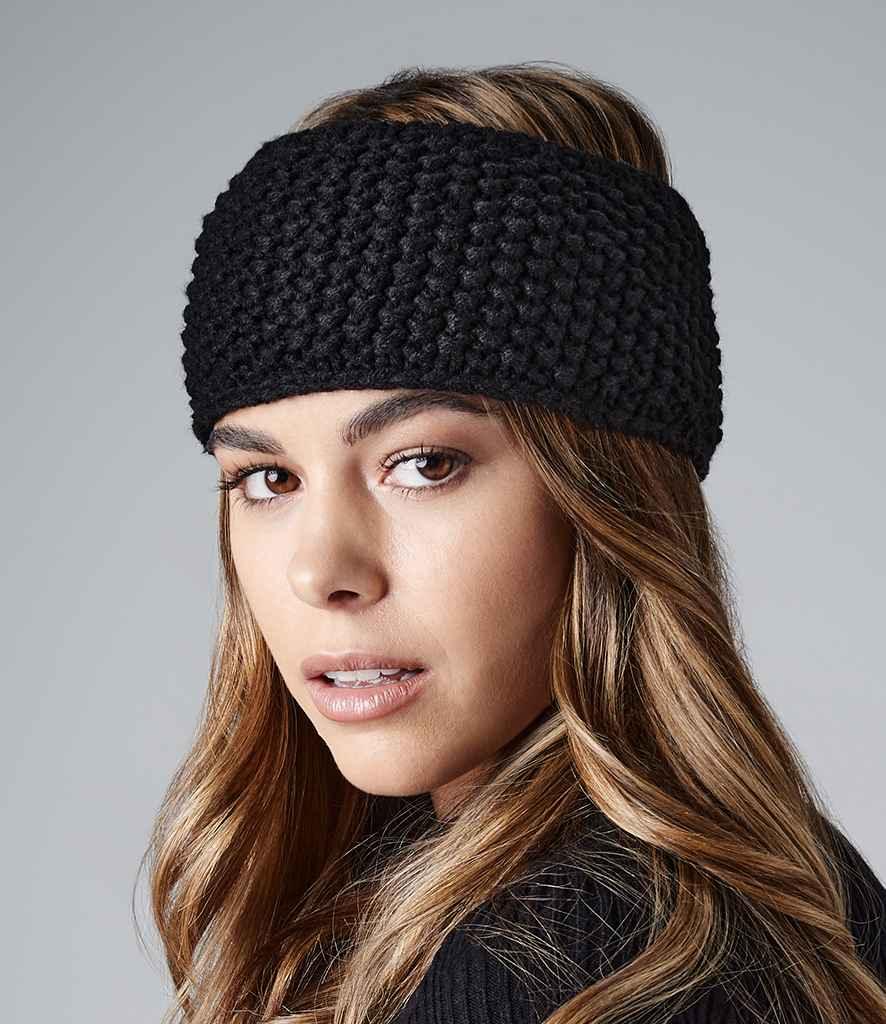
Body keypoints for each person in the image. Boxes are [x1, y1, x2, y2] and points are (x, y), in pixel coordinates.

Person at [140, 62, 886, 1024]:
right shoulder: (801, 892)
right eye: (267, 479)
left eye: (424, 464)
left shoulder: (550, 961)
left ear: (601, 493)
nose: (322, 570)